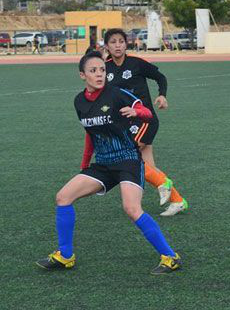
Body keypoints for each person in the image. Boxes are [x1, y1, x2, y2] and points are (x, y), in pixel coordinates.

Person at [36, 51, 181, 274]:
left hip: (127, 160)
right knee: (63, 197)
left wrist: (137, 112)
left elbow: (147, 113)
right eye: (93, 71)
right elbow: (90, 133)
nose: (99, 74)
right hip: (102, 164)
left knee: (131, 208)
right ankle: (65, 256)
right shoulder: (79, 101)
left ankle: (170, 257)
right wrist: (85, 164)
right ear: (82, 75)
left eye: (102, 70)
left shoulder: (116, 94)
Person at [104, 29, 188, 216]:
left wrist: (162, 95)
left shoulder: (136, 64)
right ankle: (178, 200)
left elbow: (160, 77)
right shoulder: (105, 67)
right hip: (127, 125)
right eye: (113, 42)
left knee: (129, 155)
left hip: (145, 120)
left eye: (121, 41)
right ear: (107, 46)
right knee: (149, 165)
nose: (117, 45)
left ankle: (163, 184)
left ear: (126, 44)